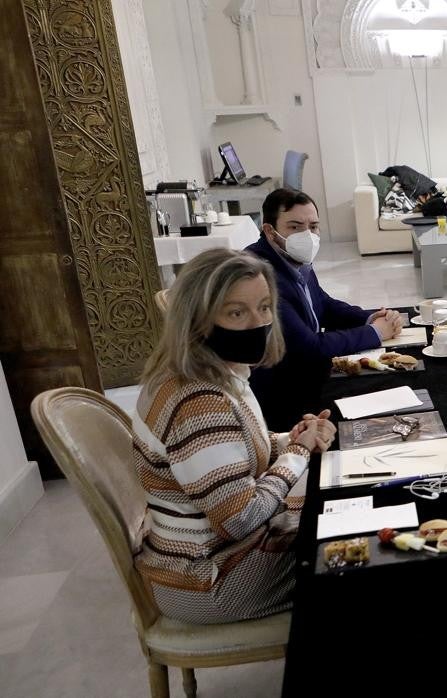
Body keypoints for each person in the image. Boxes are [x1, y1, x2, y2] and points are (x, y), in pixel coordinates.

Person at [132, 249, 336, 624]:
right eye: (236, 312)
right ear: (198, 319)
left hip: (210, 557)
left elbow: (227, 454)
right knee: (356, 559)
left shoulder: (203, 372)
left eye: (264, 307)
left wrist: (286, 439)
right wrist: (296, 452)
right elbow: (240, 519)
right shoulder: (198, 400)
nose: (257, 322)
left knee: (342, 512)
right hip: (211, 578)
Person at [246, 189, 403, 429]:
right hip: (284, 399)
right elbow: (310, 348)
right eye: (295, 227)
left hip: (309, 377)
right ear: (269, 231)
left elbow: (323, 304)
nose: (307, 235)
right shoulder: (261, 277)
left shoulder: (290, 257)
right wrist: (375, 333)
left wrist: (371, 317)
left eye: (314, 226)